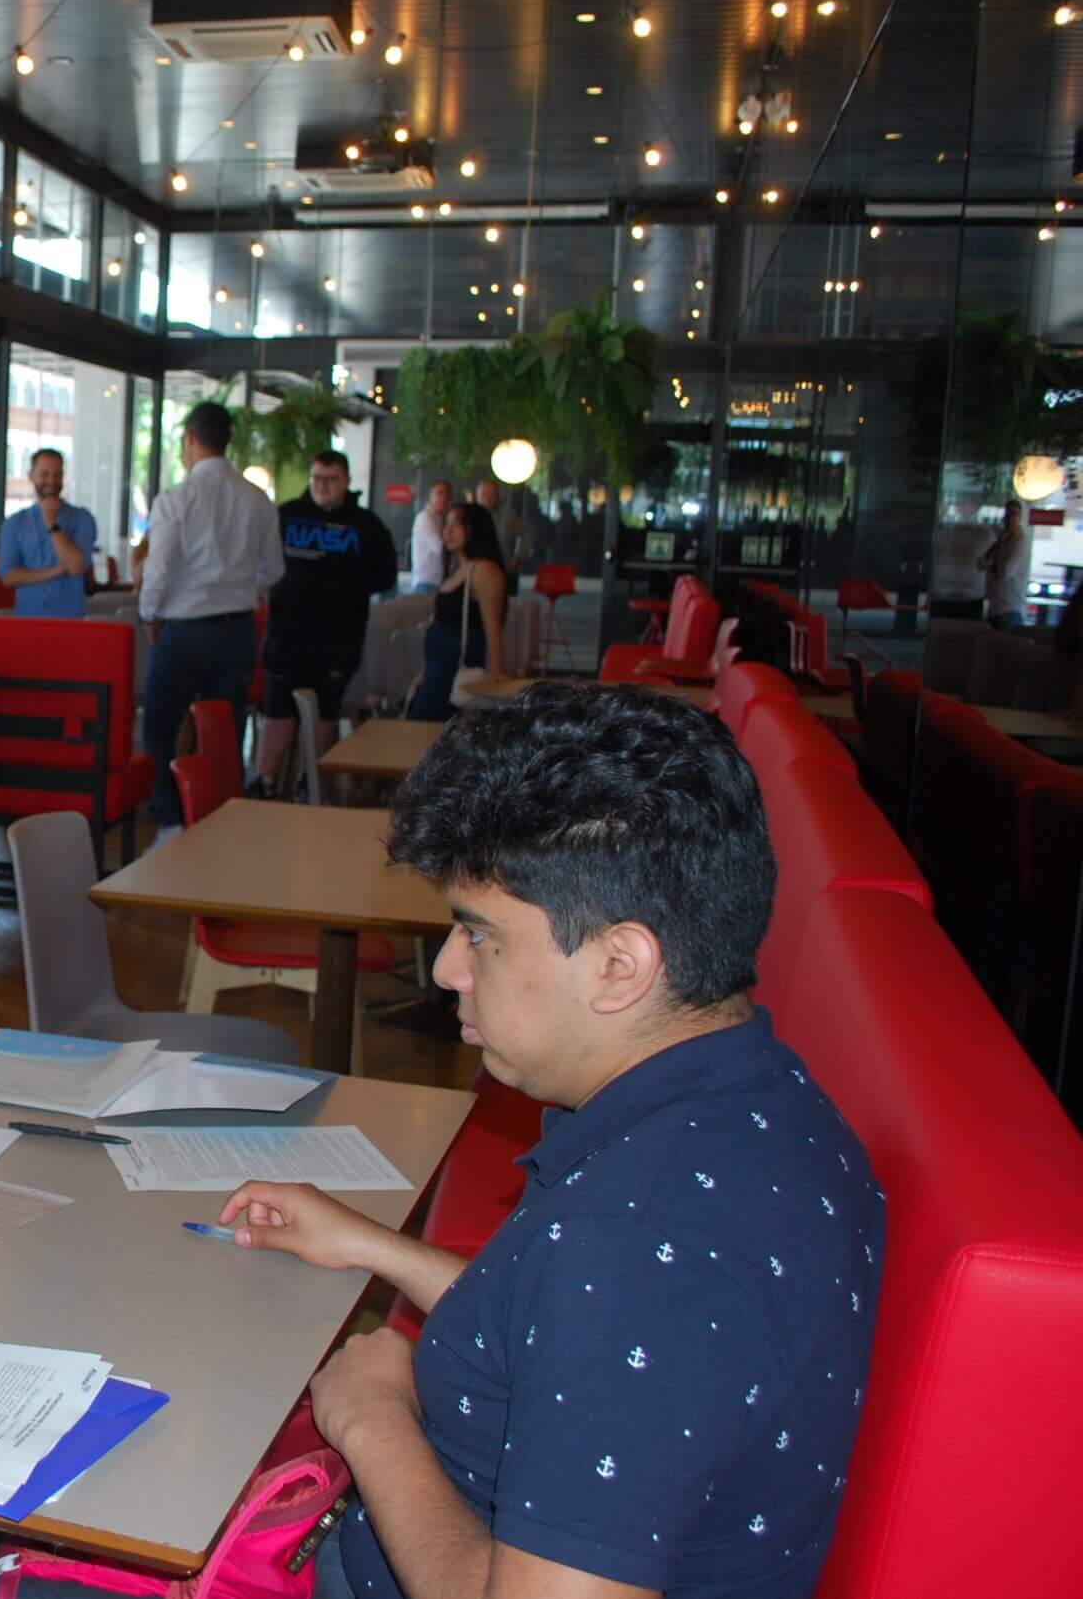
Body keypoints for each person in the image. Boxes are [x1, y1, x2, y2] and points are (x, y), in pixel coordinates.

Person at [221, 682, 880, 1599]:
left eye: (479, 936)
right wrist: (376, 1249)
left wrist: (371, 1418)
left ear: (620, 964)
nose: (447, 968)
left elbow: (618, 1300)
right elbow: (569, 1335)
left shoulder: (642, 1247)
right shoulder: (753, 1097)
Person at [138, 401, 286, 828]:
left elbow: (158, 569)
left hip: (184, 631)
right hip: (237, 629)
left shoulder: (176, 498)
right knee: (223, 730)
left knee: (161, 725)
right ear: (228, 441)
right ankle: (221, 819)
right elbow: (273, 571)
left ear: (190, 439)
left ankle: (170, 819)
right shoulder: (257, 499)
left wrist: (149, 616)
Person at [252, 451, 398, 797]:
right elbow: (261, 564)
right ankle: (264, 781)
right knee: (278, 708)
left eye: (330, 479)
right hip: (286, 634)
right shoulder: (286, 515)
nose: (322, 485)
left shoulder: (366, 525)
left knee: (325, 710)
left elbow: (385, 576)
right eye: (316, 478)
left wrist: (346, 585)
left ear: (346, 481)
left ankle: (313, 780)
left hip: (338, 638)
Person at [405, 502, 508, 721]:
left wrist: (496, 676)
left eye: (456, 524)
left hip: (457, 673)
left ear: (475, 529)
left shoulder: (484, 570)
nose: (448, 531)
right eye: (446, 524)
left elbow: (493, 629)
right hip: (436, 670)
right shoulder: (457, 569)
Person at [0, 448, 100, 618]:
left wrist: (51, 522)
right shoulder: (14, 523)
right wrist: (57, 570)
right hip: (28, 619)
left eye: (57, 475)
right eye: (44, 474)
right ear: (31, 475)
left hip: (71, 621)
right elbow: (8, 577)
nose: (51, 481)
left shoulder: (82, 518)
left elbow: (75, 567)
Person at [982, 494, 1030, 629]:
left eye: (1014, 515)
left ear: (1020, 518)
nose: (1010, 519)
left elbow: (1004, 572)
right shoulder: (1002, 540)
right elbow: (981, 563)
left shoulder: (1020, 541)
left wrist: (991, 565)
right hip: (995, 607)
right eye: (1008, 515)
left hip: (1009, 609)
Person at [477, 477, 526, 591]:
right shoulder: (470, 517)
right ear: (477, 496)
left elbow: (525, 535)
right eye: (483, 494)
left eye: (491, 494)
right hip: (478, 572)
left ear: (497, 496)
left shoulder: (509, 516)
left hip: (504, 569)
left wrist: (518, 557)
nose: (488, 498)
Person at [408, 480, 453, 593]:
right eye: (439, 493)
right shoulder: (425, 517)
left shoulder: (442, 517)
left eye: (447, 494)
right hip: (427, 583)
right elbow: (441, 547)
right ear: (431, 496)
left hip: (438, 582)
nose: (443, 498)